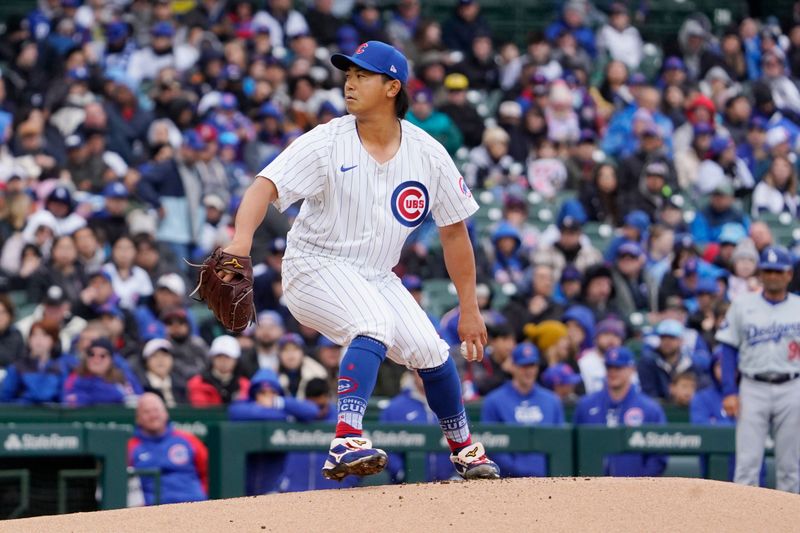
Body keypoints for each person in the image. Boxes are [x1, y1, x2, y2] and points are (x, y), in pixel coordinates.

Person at [216, 40, 499, 481]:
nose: (349, 83)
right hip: (314, 265)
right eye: (348, 74)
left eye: (362, 75)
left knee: (432, 351)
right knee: (373, 325)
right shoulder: (327, 141)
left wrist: (469, 307)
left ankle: (463, 448)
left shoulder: (427, 152)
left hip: (376, 275)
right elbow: (264, 186)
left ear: (392, 87)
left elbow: (454, 230)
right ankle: (346, 437)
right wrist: (240, 241)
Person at [716, 246, 800, 492]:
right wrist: (729, 391)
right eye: (768, 271)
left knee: (791, 467)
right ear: (761, 273)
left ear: (788, 274)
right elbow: (728, 349)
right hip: (753, 386)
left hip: (792, 385)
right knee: (747, 465)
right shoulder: (742, 304)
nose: (773, 276)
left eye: (778, 271)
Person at [573, 347, 668, 477]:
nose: (613, 372)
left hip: (635, 490)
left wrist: (641, 485)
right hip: (591, 488)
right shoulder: (586, 405)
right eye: (609, 367)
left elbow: (659, 455)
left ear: (631, 369)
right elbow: (573, 448)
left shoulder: (649, 408)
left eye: (618, 368)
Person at [229, 368, 320, 494]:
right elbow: (234, 412)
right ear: (254, 393)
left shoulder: (283, 405)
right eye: (262, 392)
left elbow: (312, 411)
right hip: (247, 478)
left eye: (272, 392)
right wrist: (284, 417)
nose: (267, 397)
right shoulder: (244, 406)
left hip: (274, 480)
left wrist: (277, 402)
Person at [481, 342, 564, 477]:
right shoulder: (494, 400)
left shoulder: (552, 400)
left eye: (532, 365)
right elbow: (492, 443)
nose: (529, 371)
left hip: (548, 479)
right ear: (513, 366)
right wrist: (516, 471)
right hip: (509, 480)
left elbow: (560, 442)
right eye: (523, 366)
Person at [128, 393, 208, 505]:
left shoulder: (188, 439)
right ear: (138, 419)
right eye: (146, 412)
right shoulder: (130, 447)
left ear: (166, 413)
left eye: (156, 410)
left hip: (195, 505)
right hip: (152, 512)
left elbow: (209, 472)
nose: (153, 415)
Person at [380, 371, 455, 483]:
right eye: (421, 369)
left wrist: (456, 474)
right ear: (413, 372)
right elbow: (385, 445)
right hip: (406, 488)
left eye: (431, 368)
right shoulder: (395, 407)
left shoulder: (452, 404)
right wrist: (401, 473)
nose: (427, 373)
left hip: (449, 486)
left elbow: (464, 440)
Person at [187, 335, 250, 407]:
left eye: (227, 357)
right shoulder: (197, 383)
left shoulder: (245, 385)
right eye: (219, 356)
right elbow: (201, 410)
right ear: (212, 358)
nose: (223, 361)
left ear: (236, 360)